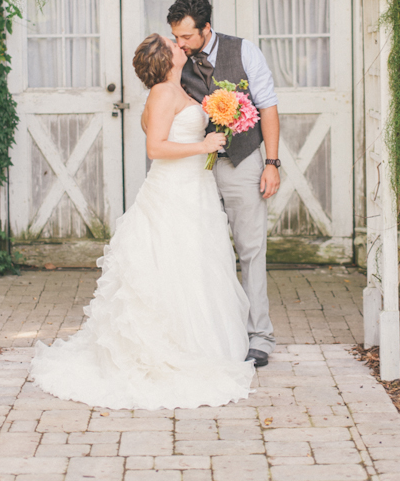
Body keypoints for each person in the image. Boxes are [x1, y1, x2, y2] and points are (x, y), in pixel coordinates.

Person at [30, 33, 255, 410]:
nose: (179, 44)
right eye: (172, 43)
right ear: (166, 59)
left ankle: (196, 344)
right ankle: (172, 351)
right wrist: (203, 145)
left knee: (193, 268)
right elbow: (155, 148)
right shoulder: (163, 94)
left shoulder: (173, 90)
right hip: (173, 192)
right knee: (172, 265)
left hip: (192, 188)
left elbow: (157, 132)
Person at [167, 0, 280, 368]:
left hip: (244, 160)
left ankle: (259, 336)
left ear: (206, 29)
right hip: (194, 167)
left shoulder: (244, 51)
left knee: (250, 248)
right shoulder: (173, 58)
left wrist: (272, 163)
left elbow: (267, 107)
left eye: (186, 36)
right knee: (200, 251)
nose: (180, 44)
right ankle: (212, 333)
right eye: (175, 36)